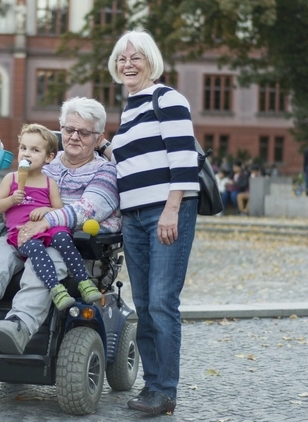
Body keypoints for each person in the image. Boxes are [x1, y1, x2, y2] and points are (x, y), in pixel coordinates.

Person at [0, 97, 120, 357]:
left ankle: (19, 325)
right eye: (69, 130)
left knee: (44, 267)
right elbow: (13, 195)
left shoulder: (105, 172)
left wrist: (46, 221)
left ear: (98, 137)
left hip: (67, 241)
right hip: (18, 234)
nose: (74, 137)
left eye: (84, 132)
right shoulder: (44, 159)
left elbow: (87, 209)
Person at [104, 30, 200, 417]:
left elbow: (183, 160)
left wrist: (172, 208)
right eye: (122, 59)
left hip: (165, 213)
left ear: (151, 61)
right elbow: (132, 164)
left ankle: (166, 390)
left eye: (135, 58)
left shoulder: (168, 99)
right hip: (134, 218)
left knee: (161, 303)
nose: (128, 64)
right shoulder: (129, 109)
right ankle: (152, 384)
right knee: (143, 304)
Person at [0, 124, 103, 310]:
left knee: (64, 237)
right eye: (23, 148)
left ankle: (84, 281)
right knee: (35, 249)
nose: (26, 154)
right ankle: (55, 288)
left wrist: (45, 210)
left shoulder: (49, 183)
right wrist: (11, 200)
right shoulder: (11, 179)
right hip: (22, 233)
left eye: (35, 150)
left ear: (49, 157)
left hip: (48, 229)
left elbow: (58, 210)